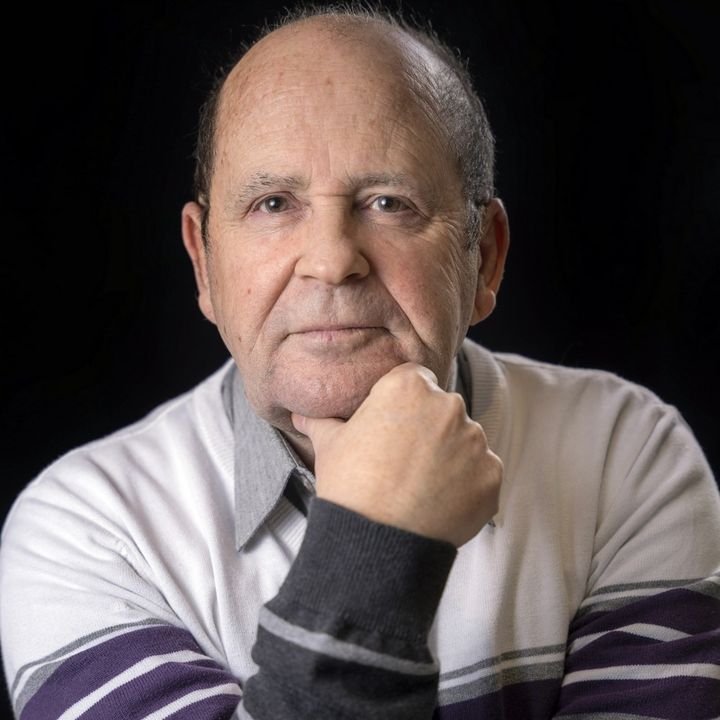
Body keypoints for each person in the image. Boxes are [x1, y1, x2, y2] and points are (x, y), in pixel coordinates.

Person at [1, 4, 719, 719]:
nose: (332, 259)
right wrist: (379, 541)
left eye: (388, 202)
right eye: (273, 203)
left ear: (484, 257)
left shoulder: (626, 455)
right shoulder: (90, 534)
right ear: (204, 264)